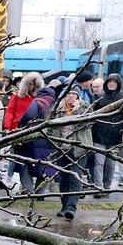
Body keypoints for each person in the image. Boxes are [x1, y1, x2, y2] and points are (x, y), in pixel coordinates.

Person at [53, 87, 93, 220]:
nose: (70, 96)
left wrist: (77, 111)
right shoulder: (58, 109)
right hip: (62, 148)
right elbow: (51, 126)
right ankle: (64, 206)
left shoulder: (85, 107)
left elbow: (88, 124)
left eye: (73, 94)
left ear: (78, 96)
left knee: (75, 178)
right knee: (63, 179)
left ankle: (71, 208)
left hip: (78, 149)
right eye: (68, 94)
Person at [90, 74, 123, 197]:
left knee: (110, 164)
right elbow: (92, 115)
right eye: (110, 82)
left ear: (118, 84)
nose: (112, 84)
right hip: (99, 136)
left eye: (114, 82)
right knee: (99, 163)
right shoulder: (99, 98)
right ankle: (98, 188)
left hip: (115, 138)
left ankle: (106, 186)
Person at [17, 82, 59, 194]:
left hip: (33, 138)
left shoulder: (36, 102)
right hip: (49, 140)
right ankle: (40, 192)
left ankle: (28, 190)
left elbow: (28, 115)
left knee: (25, 164)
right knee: (46, 168)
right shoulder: (55, 105)